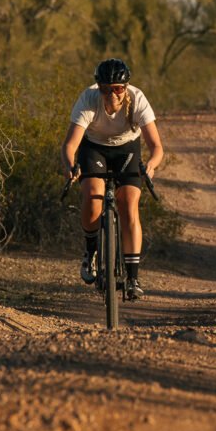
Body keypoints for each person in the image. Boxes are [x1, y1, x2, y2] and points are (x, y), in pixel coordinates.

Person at [61, 58, 165, 299]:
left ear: (126, 87)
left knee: (129, 204)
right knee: (92, 196)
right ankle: (91, 253)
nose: (112, 94)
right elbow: (70, 144)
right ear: (99, 88)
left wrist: (150, 165)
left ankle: (132, 278)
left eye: (118, 88)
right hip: (94, 148)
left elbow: (156, 147)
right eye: (106, 89)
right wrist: (70, 166)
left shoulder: (137, 99)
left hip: (127, 149)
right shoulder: (88, 99)